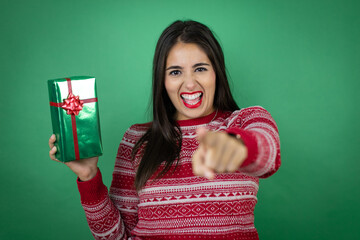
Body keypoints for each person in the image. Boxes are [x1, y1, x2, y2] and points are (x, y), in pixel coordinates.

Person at [49, 20, 281, 240]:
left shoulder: (245, 121)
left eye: (200, 68)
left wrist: (236, 147)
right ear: (162, 80)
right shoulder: (136, 139)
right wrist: (88, 177)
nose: (189, 83)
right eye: (175, 72)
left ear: (216, 73)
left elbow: (268, 154)